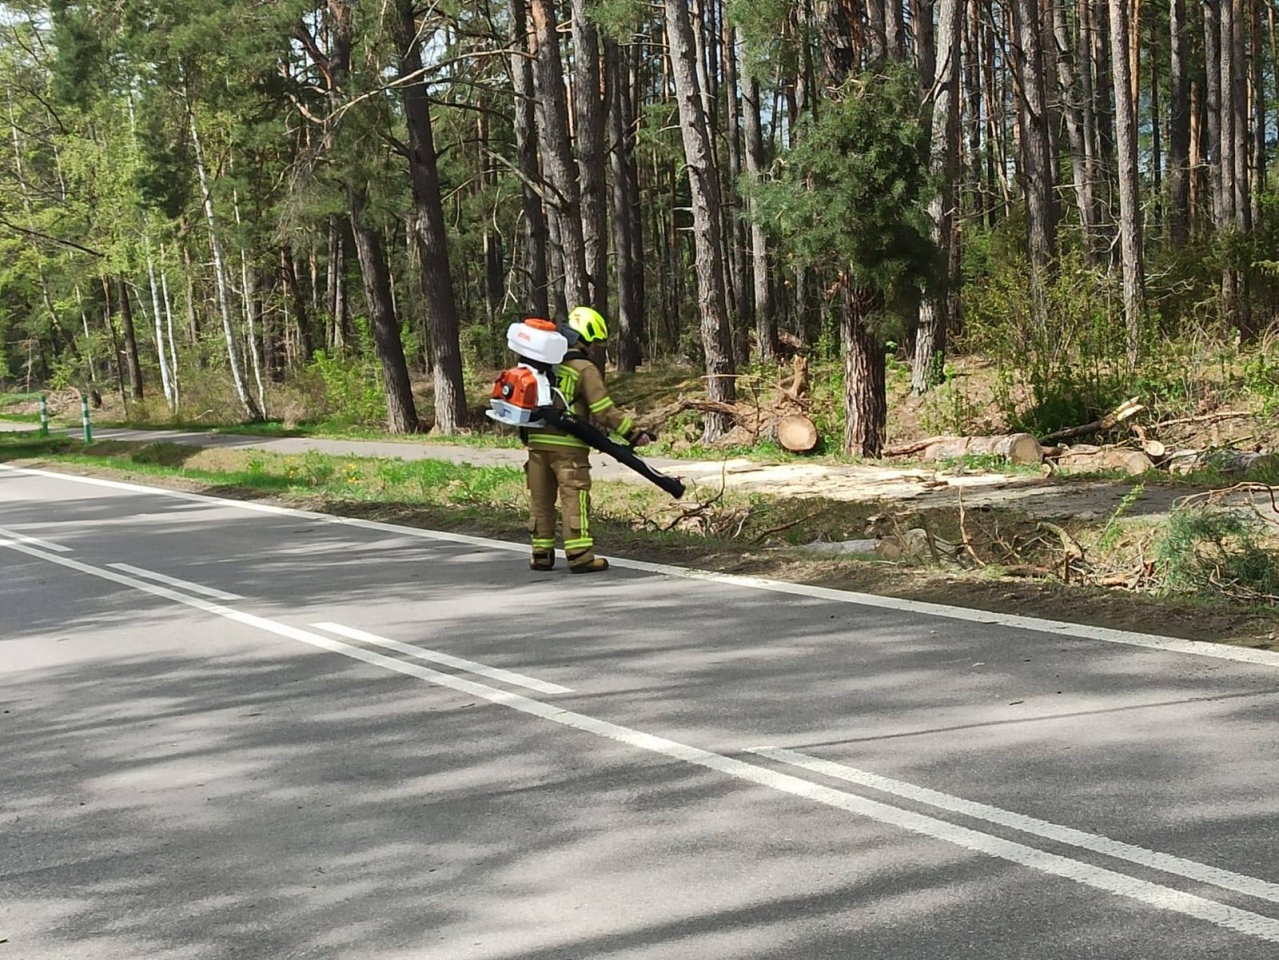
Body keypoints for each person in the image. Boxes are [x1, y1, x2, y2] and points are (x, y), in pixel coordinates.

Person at [524, 306, 651, 574]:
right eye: (592, 342)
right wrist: (634, 433)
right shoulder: (583, 368)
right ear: (585, 338)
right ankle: (580, 555)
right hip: (568, 448)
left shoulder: (542, 365)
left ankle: (541, 554)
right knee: (574, 497)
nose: (593, 348)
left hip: (535, 443)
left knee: (541, 499)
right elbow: (604, 410)